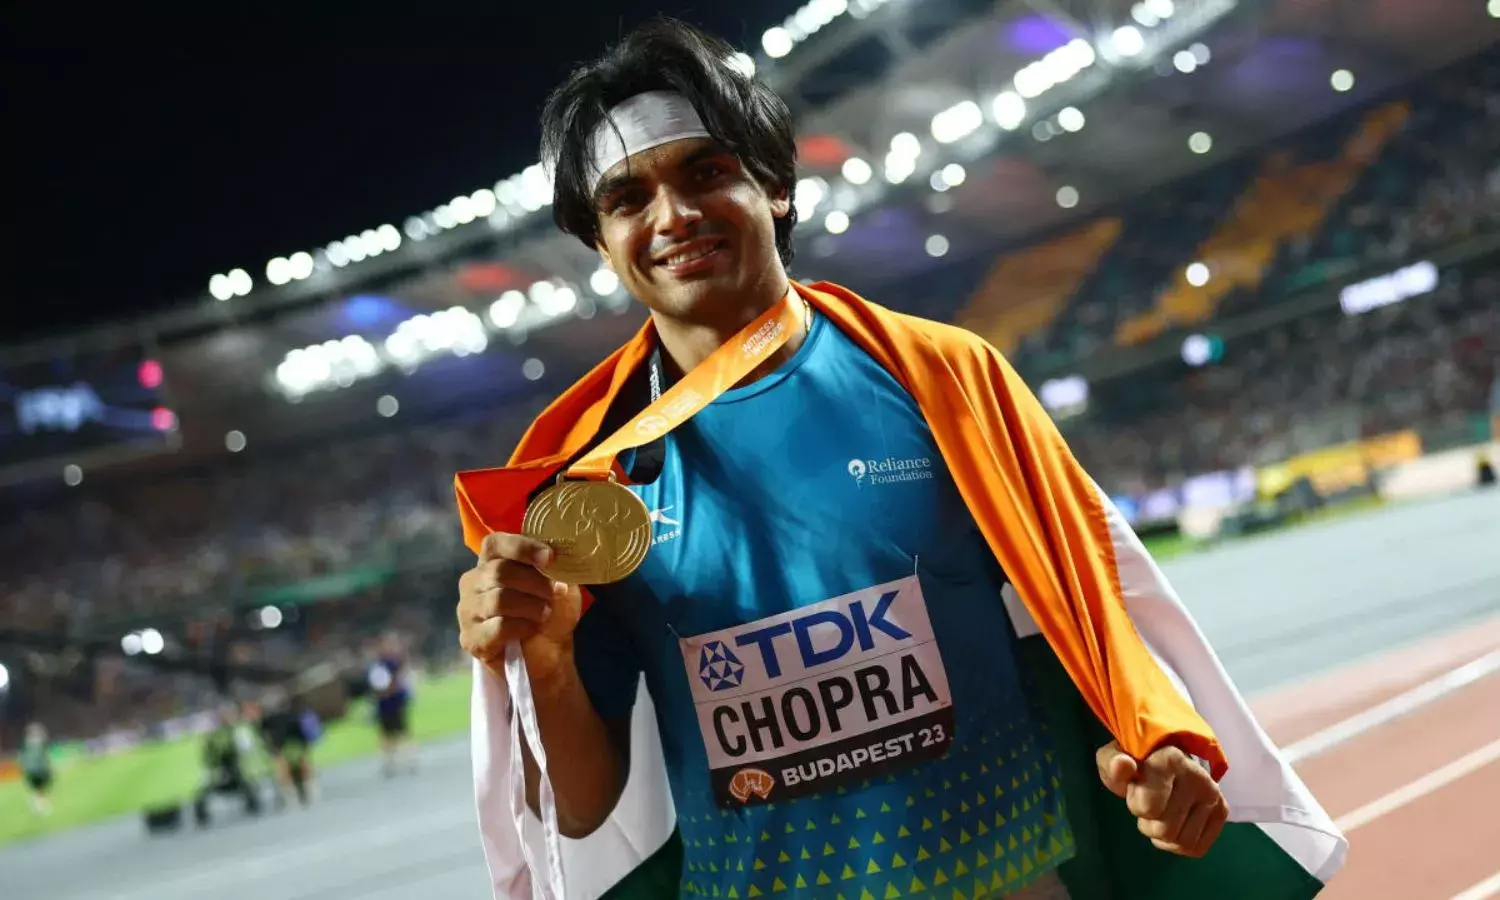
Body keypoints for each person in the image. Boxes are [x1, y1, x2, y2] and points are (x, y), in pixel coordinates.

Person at [454, 20, 1346, 900]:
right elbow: (584, 808)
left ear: (775, 187)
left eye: (707, 172)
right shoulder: (580, 474)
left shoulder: (942, 378)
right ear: (600, 243)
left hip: (1002, 878)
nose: (673, 216)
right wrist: (545, 658)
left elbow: (1095, 612)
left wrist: (1151, 745)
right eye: (627, 200)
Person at [193, 703, 263, 827]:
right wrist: (214, 769)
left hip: (235, 771)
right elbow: (208, 756)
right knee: (201, 793)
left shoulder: (237, 731)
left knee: (248, 784)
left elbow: (245, 749)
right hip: (218, 771)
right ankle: (202, 818)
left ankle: (254, 807)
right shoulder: (213, 736)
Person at [368, 631, 416, 777]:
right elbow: (376, 684)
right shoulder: (379, 664)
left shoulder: (396, 662)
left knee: (403, 732)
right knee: (386, 735)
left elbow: (402, 680)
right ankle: (388, 762)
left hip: (396, 703)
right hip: (384, 705)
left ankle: (410, 759)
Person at [19, 722, 54, 817]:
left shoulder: (26, 744)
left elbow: (23, 758)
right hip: (39, 770)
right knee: (41, 789)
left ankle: (37, 805)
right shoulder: (39, 743)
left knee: (39, 790)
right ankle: (40, 805)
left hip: (32, 771)